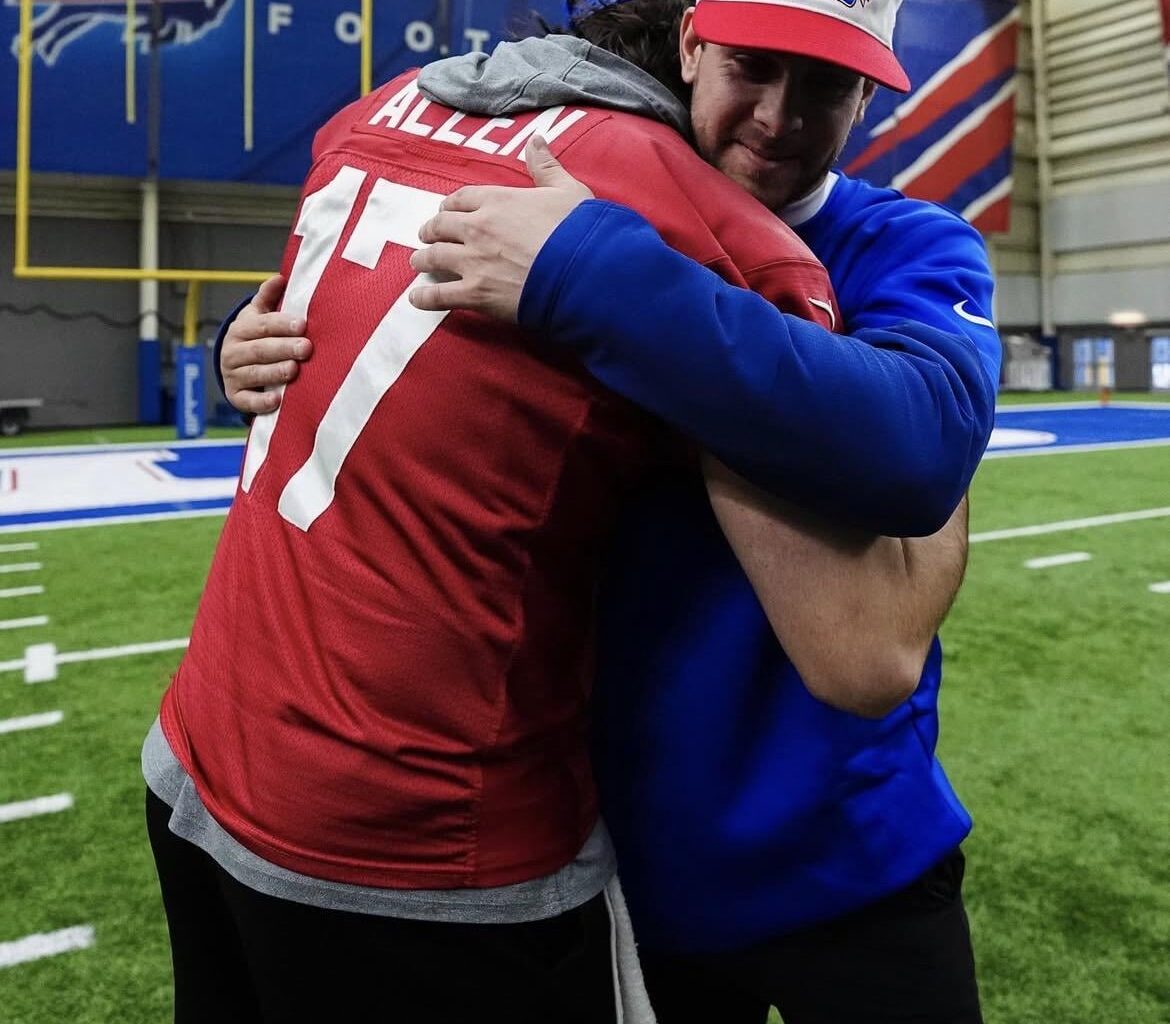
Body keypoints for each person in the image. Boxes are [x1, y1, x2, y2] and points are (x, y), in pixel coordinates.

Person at [224, 1, 1001, 1021]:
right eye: (752, 67)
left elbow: (918, 455)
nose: (780, 114)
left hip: (857, 848)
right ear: (688, 45)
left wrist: (593, 275)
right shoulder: (562, 193)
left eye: (826, 85)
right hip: (630, 851)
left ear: (870, 96)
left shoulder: (902, 244)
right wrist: (248, 343)